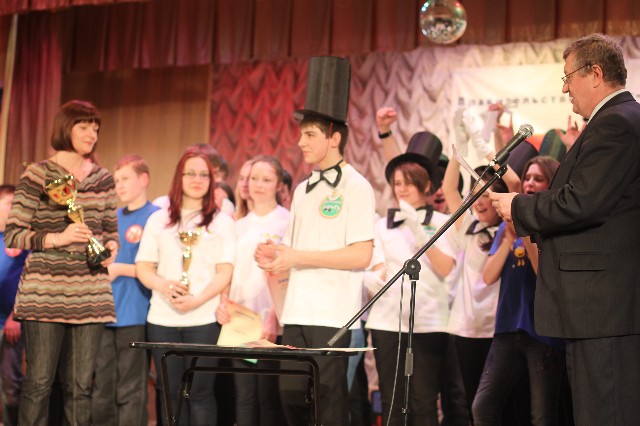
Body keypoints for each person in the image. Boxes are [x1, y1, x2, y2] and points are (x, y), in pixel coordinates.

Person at [490, 33, 640, 426]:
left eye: (568, 77)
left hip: (604, 308)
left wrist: (518, 205)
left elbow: (582, 202)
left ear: (595, 74)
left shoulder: (616, 123)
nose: (564, 88)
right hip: (599, 309)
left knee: (606, 413)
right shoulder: (616, 121)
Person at [256, 56, 375, 426]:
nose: (300, 142)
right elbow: (293, 251)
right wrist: (274, 255)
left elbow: (361, 255)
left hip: (333, 315)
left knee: (329, 406)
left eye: (309, 135)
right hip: (296, 313)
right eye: (301, 134)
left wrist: (297, 256)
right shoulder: (303, 189)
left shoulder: (357, 186)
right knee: (291, 399)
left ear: (334, 138)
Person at [4, 100, 119, 425]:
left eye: (95, 128)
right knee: (39, 383)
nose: (91, 134)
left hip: (90, 293)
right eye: (84, 126)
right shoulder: (38, 174)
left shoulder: (103, 178)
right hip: (45, 292)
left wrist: (111, 247)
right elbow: (13, 234)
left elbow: (110, 230)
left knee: (81, 386)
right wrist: (59, 238)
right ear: (65, 128)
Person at [136, 146, 235, 426]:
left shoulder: (221, 221)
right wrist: (164, 285)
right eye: (190, 173)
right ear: (179, 176)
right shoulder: (159, 219)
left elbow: (225, 271)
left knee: (200, 394)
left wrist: (197, 300)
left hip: (204, 319)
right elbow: (143, 267)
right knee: (170, 393)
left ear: (211, 180)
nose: (197, 179)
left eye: (204, 175)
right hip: (162, 320)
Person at [366, 146, 456, 425]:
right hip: (387, 321)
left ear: (427, 185)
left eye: (409, 183)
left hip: (429, 322)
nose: (402, 189)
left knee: (423, 400)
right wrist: (372, 279)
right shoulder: (382, 225)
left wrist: (419, 232)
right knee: (392, 400)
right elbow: (378, 267)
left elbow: (445, 268)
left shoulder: (442, 222)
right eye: (397, 183)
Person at [473, 156, 566, 426]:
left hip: (542, 332)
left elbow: (542, 273)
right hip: (507, 328)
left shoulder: (553, 225)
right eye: (527, 178)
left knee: (542, 415)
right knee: (482, 408)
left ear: (551, 184)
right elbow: (488, 276)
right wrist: (507, 239)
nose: (530, 184)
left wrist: (523, 231)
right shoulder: (508, 223)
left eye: (538, 179)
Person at [216, 155, 289, 426]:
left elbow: (287, 275)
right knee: (244, 396)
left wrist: (274, 316)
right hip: (241, 317)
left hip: (271, 318)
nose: (258, 185)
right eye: (253, 178)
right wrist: (223, 302)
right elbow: (228, 269)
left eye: (266, 179)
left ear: (278, 184)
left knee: (269, 397)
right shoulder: (238, 224)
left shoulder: (287, 221)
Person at [91, 155, 160, 426]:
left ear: (144, 179)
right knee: (102, 385)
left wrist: (120, 269)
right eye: (116, 180)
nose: (119, 185)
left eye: (125, 178)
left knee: (130, 387)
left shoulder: (156, 217)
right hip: (106, 312)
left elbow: (159, 267)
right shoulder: (112, 218)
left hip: (135, 312)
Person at [0, 185, 29, 426]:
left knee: (11, 387)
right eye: (10, 203)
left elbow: (29, 280)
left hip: (11, 322)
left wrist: (15, 316)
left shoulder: (23, 239)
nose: (15, 209)